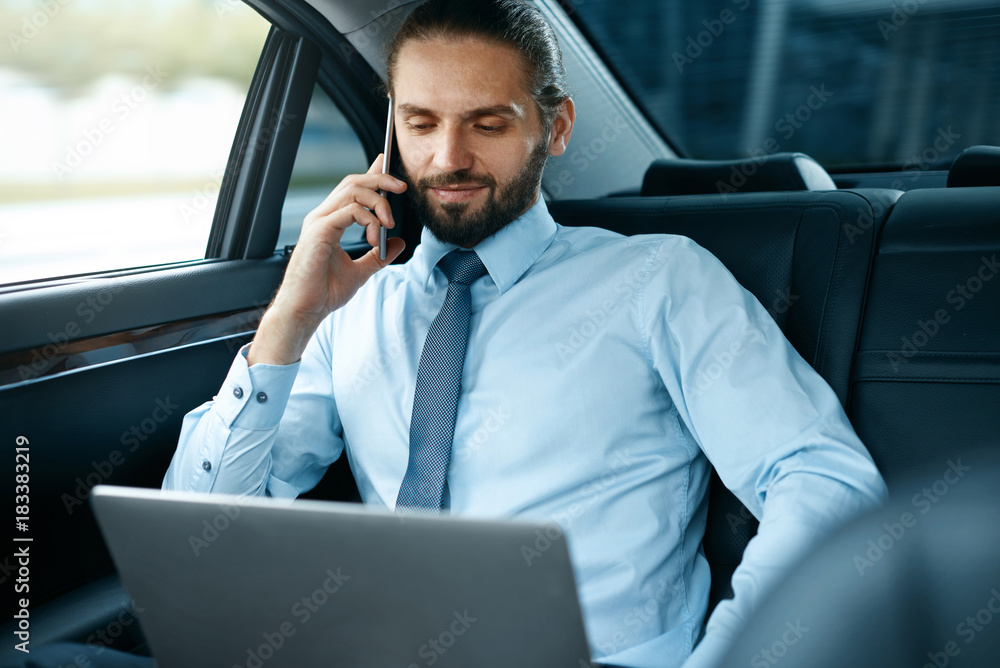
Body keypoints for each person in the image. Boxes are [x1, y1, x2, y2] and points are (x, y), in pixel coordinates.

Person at [16, 1, 886, 667]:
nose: (447, 158)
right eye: (422, 123)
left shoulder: (659, 280)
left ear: (555, 125)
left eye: (488, 122)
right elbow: (202, 532)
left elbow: (825, 480)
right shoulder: (355, 305)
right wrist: (286, 320)